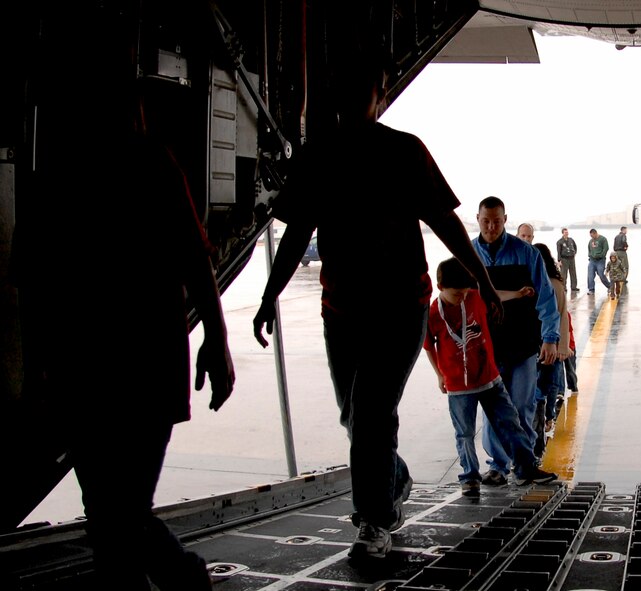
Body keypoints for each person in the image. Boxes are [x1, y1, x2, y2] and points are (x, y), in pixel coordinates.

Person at [252, 47, 502, 559]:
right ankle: (394, 478)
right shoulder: (317, 157)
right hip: (341, 313)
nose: (354, 95)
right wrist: (267, 296)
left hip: (399, 310)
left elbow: (445, 221)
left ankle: (375, 520)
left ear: (379, 96)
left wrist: (484, 281)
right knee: (357, 418)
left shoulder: (404, 151)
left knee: (368, 414)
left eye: (365, 86)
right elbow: (298, 232)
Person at [14, 47, 236, 589]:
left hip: (82, 368)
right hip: (148, 364)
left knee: (110, 514)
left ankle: (182, 579)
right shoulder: (153, 163)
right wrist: (215, 337)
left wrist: (37, 370)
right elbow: (195, 257)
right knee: (124, 510)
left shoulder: (51, 175)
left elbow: (33, 286)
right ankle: (184, 580)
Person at [423, 259, 558, 496]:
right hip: (458, 385)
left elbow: (495, 294)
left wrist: (518, 293)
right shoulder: (433, 314)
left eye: (465, 293)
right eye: (456, 294)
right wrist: (439, 375)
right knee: (464, 433)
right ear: (440, 287)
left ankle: (526, 468)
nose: (462, 298)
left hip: (489, 379)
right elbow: (428, 346)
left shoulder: (474, 297)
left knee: (511, 424)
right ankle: (470, 477)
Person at [472, 197, 560, 486]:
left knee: (522, 406)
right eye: (486, 220)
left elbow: (546, 300)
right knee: (493, 410)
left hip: (523, 343)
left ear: (505, 219)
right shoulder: (469, 254)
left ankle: (525, 464)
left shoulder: (526, 254)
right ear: (478, 218)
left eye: (496, 221)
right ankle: (497, 465)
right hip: (486, 346)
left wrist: (550, 338)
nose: (491, 226)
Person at [531, 244, 571, 459]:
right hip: (551, 345)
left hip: (539, 346)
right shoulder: (556, 283)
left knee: (537, 393)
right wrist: (563, 346)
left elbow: (560, 315)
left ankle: (538, 439)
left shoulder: (539, 283)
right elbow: (564, 315)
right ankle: (547, 421)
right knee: (546, 389)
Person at [587, 228, 611, 295]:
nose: (592, 237)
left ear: (595, 233)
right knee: (590, 275)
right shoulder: (591, 241)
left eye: (592, 236)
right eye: (590, 236)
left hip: (600, 260)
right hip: (592, 260)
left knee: (601, 274)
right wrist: (590, 255)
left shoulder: (603, 239)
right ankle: (591, 289)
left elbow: (606, 248)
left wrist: (601, 255)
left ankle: (609, 286)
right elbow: (589, 249)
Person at [556, 228, 579, 293]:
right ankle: (563, 287)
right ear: (562, 233)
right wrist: (559, 260)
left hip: (571, 258)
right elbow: (558, 251)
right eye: (565, 232)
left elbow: (575, 247)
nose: (566, 233)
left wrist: (574, 253)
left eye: (567, 232)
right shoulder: (559, 242)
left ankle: (574, 287)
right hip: (564, 259)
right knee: (563, 274)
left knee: (573, 273)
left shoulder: (571, 240)